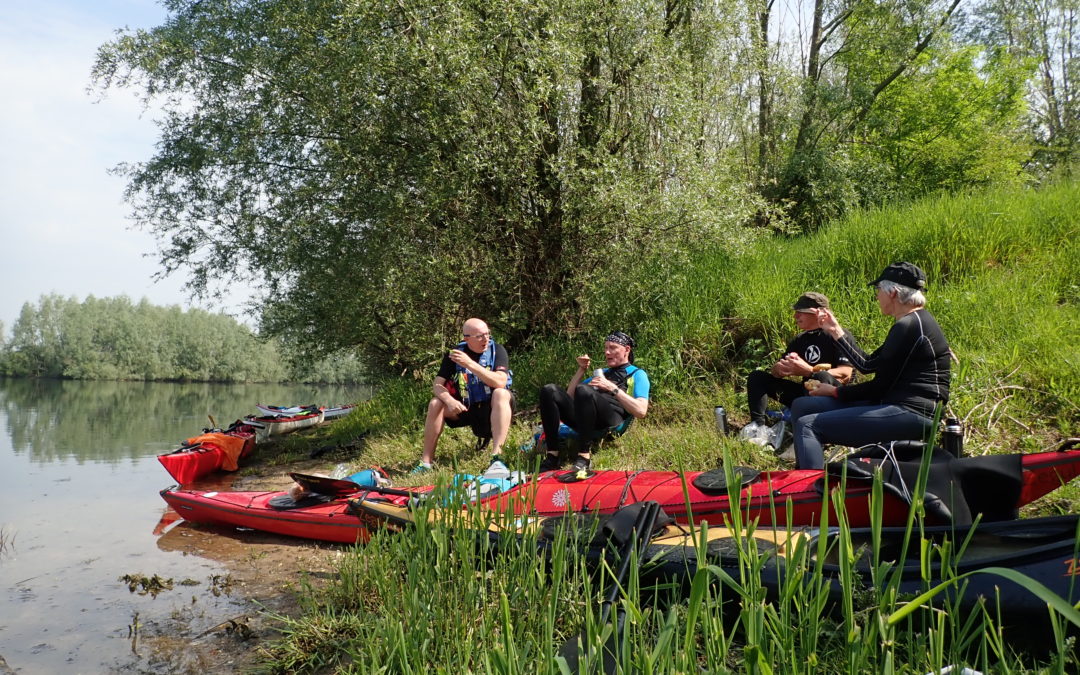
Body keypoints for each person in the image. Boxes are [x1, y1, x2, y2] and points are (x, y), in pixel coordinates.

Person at [790, 262, 951, 469]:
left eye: (878, 290)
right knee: (803, 406)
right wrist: (835, 330)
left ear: (892, 292)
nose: (877, 296)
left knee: (807, 425)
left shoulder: (909, 326)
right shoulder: (912, 322)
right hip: (891, 403)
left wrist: (836, 393)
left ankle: (813, 490)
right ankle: (802, 471)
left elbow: (870, 373)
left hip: (913, 414)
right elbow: (870, 364)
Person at [739, 292, 855, 449]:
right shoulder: (800, 340)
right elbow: (777, 369)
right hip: (805, 395)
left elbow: (845, 374)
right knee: (757, 377)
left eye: (801, 312)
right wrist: (779, 370)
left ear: (817, 312)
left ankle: (816, 432)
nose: (795, 316)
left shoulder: (838, 335)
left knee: (821, 375)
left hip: (834, 396)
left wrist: (808, 371)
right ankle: (758, 429)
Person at [536, 331, 650, 474]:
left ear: (627, 349)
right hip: (585, 419)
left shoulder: (637, 374)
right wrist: (581, 370)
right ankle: (552, 456)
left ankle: (584, 457)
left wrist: (611, 387)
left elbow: (641, 411)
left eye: (613, 348)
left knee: (583, 390)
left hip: (612, 419)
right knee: (549, 390)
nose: (607, 352)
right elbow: (568, 397)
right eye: (606, 348)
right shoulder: (602, 372)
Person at [413, 318, 514, 475]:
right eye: (480, 336)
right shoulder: (455, 354)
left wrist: (470, 364)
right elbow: (437, 384)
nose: (486, 339)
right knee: (435, 403)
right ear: (466, 338)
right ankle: (426, 463)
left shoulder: (497, 350)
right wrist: (449, 400)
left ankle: (497, 458)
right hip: (466, 406)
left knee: (501, 393)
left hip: (492, 406)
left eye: (487, 334)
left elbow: (500, 381)